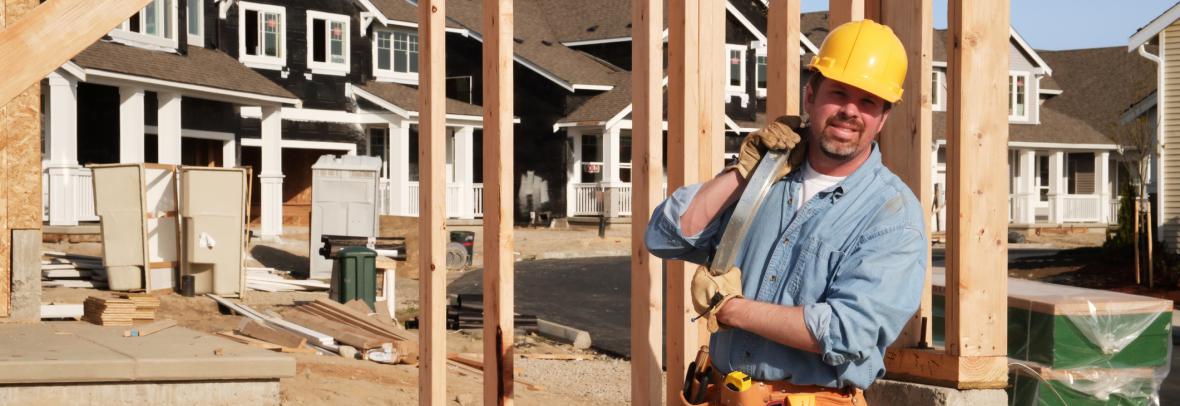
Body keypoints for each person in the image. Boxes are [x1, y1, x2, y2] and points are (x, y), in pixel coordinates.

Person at [645, 19, 926, 406]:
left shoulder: (891, 214)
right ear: (810, 96)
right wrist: (748, 171)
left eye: (868, 102)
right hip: (722, 394)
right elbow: (666, 236)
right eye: (838, 93)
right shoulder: (764, 180)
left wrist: (732, 310)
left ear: (883, 118)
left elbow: (849, 332)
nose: (850, 111)